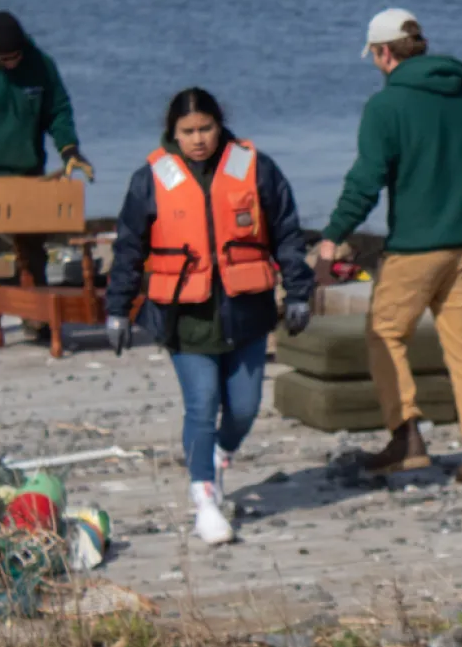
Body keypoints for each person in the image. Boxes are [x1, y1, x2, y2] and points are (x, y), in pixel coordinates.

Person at [313, 8, 462, 491]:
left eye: (374, 56)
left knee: (386, 334)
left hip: (416, 249)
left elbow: (366, 181)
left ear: (384, 53)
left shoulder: (386, 107)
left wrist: (333, 235)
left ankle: (406, 437)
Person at [105, 88, 314, 545]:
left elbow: (287, 232)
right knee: (201, 404)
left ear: (219, 126)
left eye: (205, 129)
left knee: (243, 407)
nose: (198, 139)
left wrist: (300, 292)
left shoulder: (256, 169)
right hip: (184, 315)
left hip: (247, 310)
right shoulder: (150, 179)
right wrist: (117, 309)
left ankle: (222, 453)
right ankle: (204, 498)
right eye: (188, 131)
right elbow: (128, 248)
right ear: (173, 132)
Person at [0, 10, 92, 344]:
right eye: (4, 58)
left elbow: (59, 110)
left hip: (27, 171)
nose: (10, 63)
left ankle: (35, 318)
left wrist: (69, 150)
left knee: (31, 247)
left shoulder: (41, 65)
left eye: (15, 56)